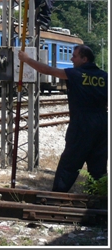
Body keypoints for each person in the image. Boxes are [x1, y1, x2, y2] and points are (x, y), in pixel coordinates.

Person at [18, 44, 107, 193]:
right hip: (102, 124)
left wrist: (27, 60)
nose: (71, 59)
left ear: (84, 59)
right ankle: (98, 199)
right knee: (98, 166)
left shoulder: (76, 74)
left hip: (81, 123)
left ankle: (58, 196)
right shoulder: (105, 77)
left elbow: (48, 70)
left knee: (70, 163)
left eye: (75, 56)